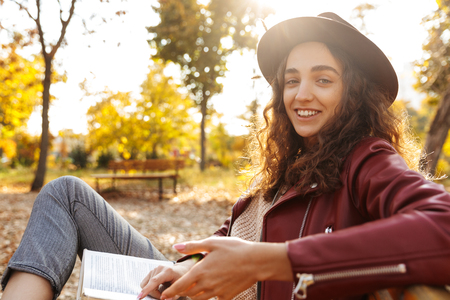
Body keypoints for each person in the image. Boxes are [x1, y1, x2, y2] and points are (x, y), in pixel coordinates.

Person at [2, 12, 450, 300]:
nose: (301, 94)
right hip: (196, 292)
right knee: (66, 196)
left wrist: (273, 260)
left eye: (323, 79)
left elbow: (442, 227)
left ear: (354, 93)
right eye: (291, 80)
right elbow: (227, 241)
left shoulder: (365, 158)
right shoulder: (288, 166)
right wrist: (184, 268)